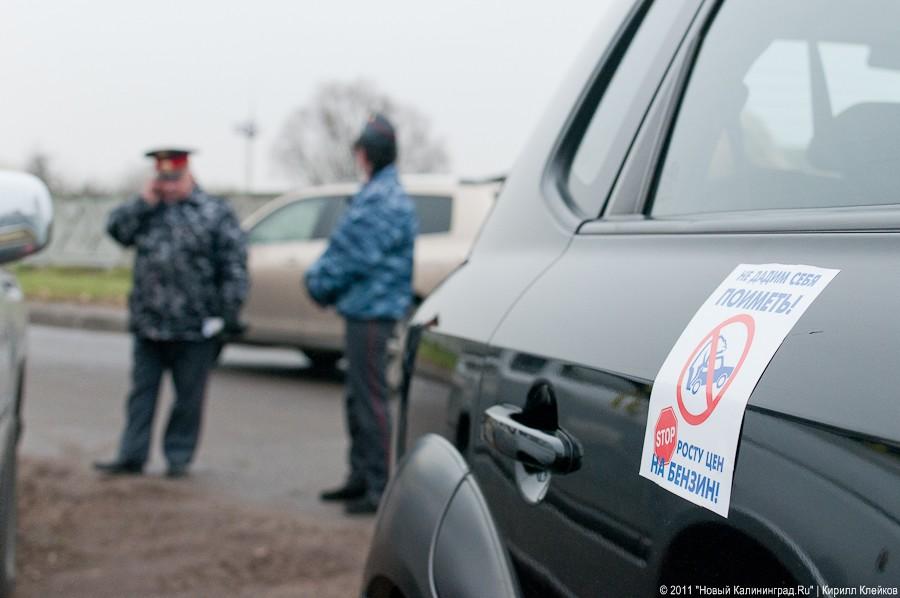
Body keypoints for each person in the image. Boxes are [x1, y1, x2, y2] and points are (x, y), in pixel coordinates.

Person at [94, 148, 248, 478]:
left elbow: (234, 264)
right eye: (163, 179)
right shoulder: (148, 210)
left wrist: (229, 311)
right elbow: (116, 231)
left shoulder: (214, 211)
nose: (169, 186)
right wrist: (143, 201)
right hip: (149, 323)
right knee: (141, 395)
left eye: (175, 179)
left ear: (188, 174)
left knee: (188, 399)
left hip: (194, 325)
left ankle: (178, 458)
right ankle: (131, 455)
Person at [305, 114, 417, 514]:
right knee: (357, 399)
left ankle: (376, 484)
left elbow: (353, 253)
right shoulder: (377, 193)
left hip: (373, 312)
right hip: (364, 308)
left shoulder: (382, 199)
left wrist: (316, 283)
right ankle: (359, 477)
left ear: (366, 154)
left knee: (370, 401)